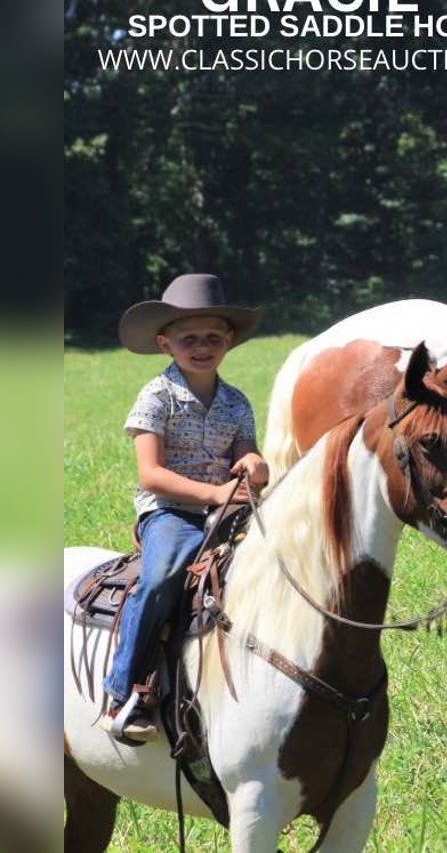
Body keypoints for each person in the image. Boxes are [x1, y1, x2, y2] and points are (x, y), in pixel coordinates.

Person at [102, 273, 268, 743]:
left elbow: (245, 456)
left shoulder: (235, 402)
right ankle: (123, 690)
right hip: (170, 511)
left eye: (213, 337)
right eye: (188, 338)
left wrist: (254, 465)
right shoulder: (156, 396)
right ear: (165, 343)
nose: (202, 346)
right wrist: (215, 494)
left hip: (228, 510)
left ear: (228, 341)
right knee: (162, 577)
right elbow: (150, 474)